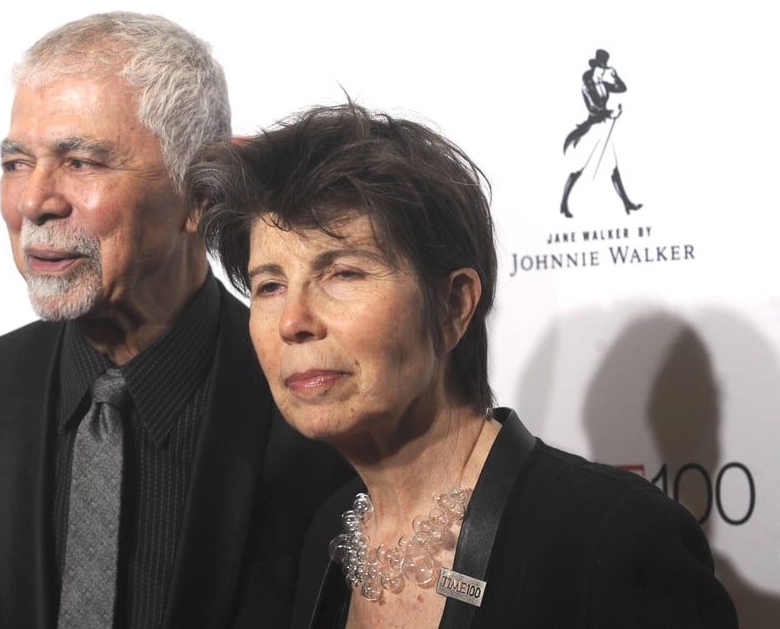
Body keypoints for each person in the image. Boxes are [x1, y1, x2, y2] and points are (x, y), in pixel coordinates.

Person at [190, 103, 738, 628]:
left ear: (453, 307)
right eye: (269, 286)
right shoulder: (330, 535)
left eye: (343, 274)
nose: (293, 321)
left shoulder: (613, 538)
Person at [0, 12, 350, 629]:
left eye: (81, 161)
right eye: (16, 162)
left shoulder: (325, 415)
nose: (34, 201)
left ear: (202, 196)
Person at [560, 49, 642, 217]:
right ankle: (563, 205)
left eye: (605, 69)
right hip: (592, 129)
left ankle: (626, 203)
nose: (603, 72)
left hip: (604, 129)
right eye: (601, 69)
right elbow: (592, 108)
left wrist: (615, 75)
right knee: (578, 167)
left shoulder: (603, 84)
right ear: (595, 68)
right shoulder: (587, 86)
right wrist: (609, 113)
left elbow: (622, 88)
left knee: (613, 167)